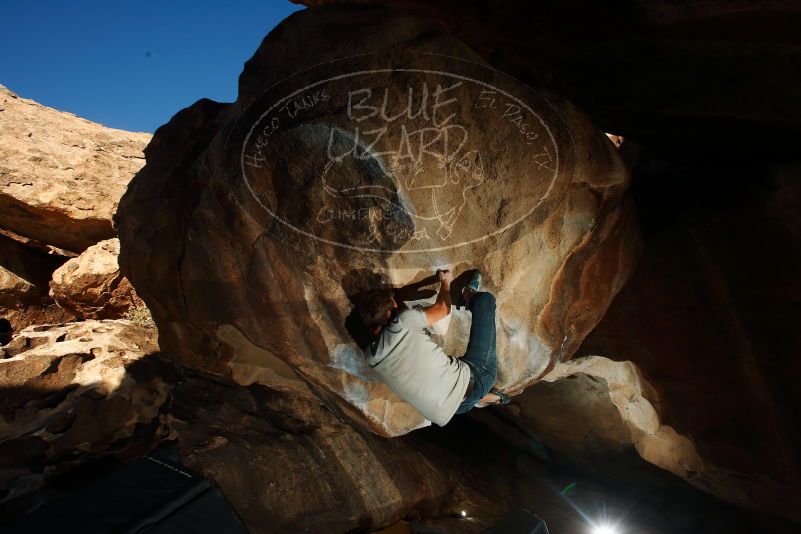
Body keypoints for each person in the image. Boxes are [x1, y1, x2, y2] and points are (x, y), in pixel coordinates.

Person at [359, 269, 510, 426]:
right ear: (390, 313)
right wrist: (446, 282)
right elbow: (444, 308)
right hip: (480, 375)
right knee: (485, 301)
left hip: (453, 410)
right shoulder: (405, 321)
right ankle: (468, 295)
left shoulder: (370, 356)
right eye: (394, 302)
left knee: (451, 385)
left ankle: (497, 398)